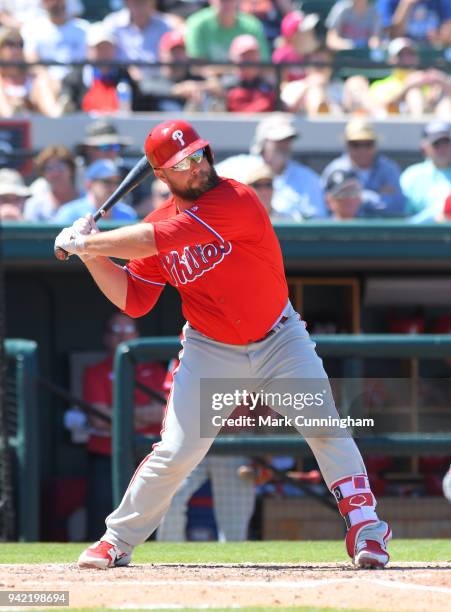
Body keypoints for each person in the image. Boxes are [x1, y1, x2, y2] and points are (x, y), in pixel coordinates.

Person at [55, 118, 392, 570]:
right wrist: (90, 254)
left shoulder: (237, 199)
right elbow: (134, 299)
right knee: (176, 451)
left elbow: (153, 240)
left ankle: (367, 527)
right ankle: (117, 540)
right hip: (209, 348)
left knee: (324, 426)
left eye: (197, 154)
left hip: (279, 338)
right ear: (161, 176)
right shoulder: (157, 220)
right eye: (181, 163)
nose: (196, 166)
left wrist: (88, 242)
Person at [83, 312, 166, 539]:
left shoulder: (155, 370)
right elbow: (99, 418)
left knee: (150, 517)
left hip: (146, 456)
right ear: (106, 338)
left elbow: (163, 412)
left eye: (128, 330)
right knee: (102, 516)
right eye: (117, 332)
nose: (123, 337)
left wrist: (120, 415)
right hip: (105, 456)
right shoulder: (95, 371)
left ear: (137, 335)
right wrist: (141, 417)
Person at [156, 357, 256, 541]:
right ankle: (170, 561)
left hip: (233, 439)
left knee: (234, 521)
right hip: (192, 437)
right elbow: (169, 400)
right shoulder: (189, 343)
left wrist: (264, 450)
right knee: (170, 498)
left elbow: (268, 401)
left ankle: (236, 569)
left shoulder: (250, 344)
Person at [321, 118, 406, 217]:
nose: (362, 150)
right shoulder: (335, 170)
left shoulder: (388, 169)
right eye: (355, 145)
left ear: (375, 145)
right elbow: (327, 206)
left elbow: (398, 206)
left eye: (368, 144)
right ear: (347, 145)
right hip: (344, 230)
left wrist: (355, 198)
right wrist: (374, 196)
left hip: (382, 231)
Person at [60, 22, 134, 114]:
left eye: (107, 47)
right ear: (88, 50)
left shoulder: (124, 76)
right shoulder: (74, 78)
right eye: (98, 48)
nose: (103, 53)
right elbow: (66, 105)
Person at [369, 37, 451, 117]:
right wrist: (407, 87)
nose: (407, 58)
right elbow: (378, 108)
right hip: (399, 126)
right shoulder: (382, 85)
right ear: (392, 59)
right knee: (414, 93)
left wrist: (442, 81)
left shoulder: (427, 79)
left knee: (446, 100)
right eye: (401, 55)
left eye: (411, 54)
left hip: (434, 121)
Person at [21, 0, 88, 89]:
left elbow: (88, 59)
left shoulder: (83, 28)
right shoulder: (32, 28)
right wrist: (48, 78)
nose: (55, 3)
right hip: (46, 83)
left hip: (76, 82)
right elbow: (31, 59)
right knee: (42, 83)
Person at [185, 0, 270, 68]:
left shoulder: (252, 25)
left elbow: (263, 64)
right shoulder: (197, 24)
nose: (227, 3)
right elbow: (197, 67)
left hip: (244, 83)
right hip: (209, 83)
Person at [0, 27, 61, 117]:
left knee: (41, 83)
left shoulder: (33, 75)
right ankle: (15, 115)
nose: (17, 49)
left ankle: (58, 118)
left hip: (36, 123)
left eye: (20, 44)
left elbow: (56, 87)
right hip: (6, 125)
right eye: (10, 44)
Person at [53, 159, 137, 224]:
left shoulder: (128, 214)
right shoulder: (69, 213)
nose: (113, 186)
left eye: (116, 182)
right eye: (107, 181)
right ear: (89, 184)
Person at [402, 120, 451, 221]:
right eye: (436, 144)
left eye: (446, 143)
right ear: (424, 146)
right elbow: (404, 217)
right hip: (420, 236)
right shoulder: (411, 175)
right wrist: (433, 218)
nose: (442, 148)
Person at [24, 145, 80, 222]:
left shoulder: (89, 200)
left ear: (71, 169)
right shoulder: (34, 205)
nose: (55, 173)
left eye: (60, 166)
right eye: (49, 168)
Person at [223, 34, 276, 113]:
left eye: (253, 55)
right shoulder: (226, 86)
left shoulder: (269, 85)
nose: (250, 60)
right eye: (245, 56)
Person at [272, 10, 320, 82]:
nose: (310, 33)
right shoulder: (282, 55)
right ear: (293, 36)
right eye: (304, 32)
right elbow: (280, 84)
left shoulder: (313, 54)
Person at [376, 0, 451, 46]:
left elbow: (447, 37)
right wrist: (406, 4)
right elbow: (392, 36)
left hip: (431, 56)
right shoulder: (389, 1)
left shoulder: (443, 2)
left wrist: (441, 38)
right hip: (402, 55)